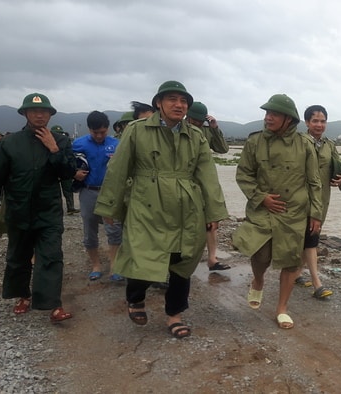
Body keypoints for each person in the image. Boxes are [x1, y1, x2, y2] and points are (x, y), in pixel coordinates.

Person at [94, 81, 228, 339]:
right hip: (147, 203)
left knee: (182, 260)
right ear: (159, 103)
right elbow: (118, 168)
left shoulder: (196, 135)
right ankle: (135, 299)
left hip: (185, 206)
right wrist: (110, 205)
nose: (179, 105)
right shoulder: (137, 131)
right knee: (143, 253)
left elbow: (207, 176)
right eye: (172, 99)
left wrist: (213, 213)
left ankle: (174, 314)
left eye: (183, 101)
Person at [232, 94, 323, 329]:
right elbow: (243, 174)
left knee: (291, 262)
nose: (268, 118)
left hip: (294, 212)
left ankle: (282, 308)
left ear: (288, 119)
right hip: (263, 210)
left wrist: (315, 214)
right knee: (260, 254)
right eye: (266, 113)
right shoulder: (255, 142)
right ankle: (258, 279)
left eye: (273, 114)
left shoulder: (304, 144)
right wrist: (262, 198)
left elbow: (314, 182)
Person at [0, 92, 76, 323]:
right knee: (18, 257)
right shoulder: (9, 143)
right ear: (25, 113)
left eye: (44, 111)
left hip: (49, 211)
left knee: (51, 256)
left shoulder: (62, 141)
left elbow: (68, 173)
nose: (39, 114)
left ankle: (53, 304)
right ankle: (22, 295)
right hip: (18, 210)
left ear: (50, 115)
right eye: (34, 111)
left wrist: (53, 149)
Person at [294, 105, 341, 299]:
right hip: (300, 199)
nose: (319, 124)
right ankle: (317, 284)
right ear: (306, 122)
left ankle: (296, 273)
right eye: (315, 121)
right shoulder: (298, 142)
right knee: (309, 238)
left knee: (310, 237)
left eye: (323, 121)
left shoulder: (329, 145)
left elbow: (339, 168)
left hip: (322, 199)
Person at [72, 111, 124, 282]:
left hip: (110, 193)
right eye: (96, 133)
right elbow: (66, 164)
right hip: (88, 191)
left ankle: (115, 266)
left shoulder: (117, 144)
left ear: (107, 129)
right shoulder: (78, 144)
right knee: (90, 229)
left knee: (114, 229)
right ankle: (96, 265)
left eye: (103, 132)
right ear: (89, 129)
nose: (100, 136)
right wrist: (75, 173)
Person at [185, 101, 230, 271]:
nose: (196, 123)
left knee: (211, 221)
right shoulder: (177, 129)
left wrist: (214, 129)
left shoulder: (206, 130)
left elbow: (223, 149)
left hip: (204, 180)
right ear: (187, 116)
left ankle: (212, 259)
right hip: (185, 180)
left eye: (199, 121)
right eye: (193, 120)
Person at [51, 125, 79, 215]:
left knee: (68, 190)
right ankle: (54, 209)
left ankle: (70, 207)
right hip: (52, 171)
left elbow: (70, 156)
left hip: (64, 169)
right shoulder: (46, 142)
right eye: (56, 133)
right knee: (53, 191)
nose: (58, 135)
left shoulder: (65, 142)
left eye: (59, 133)